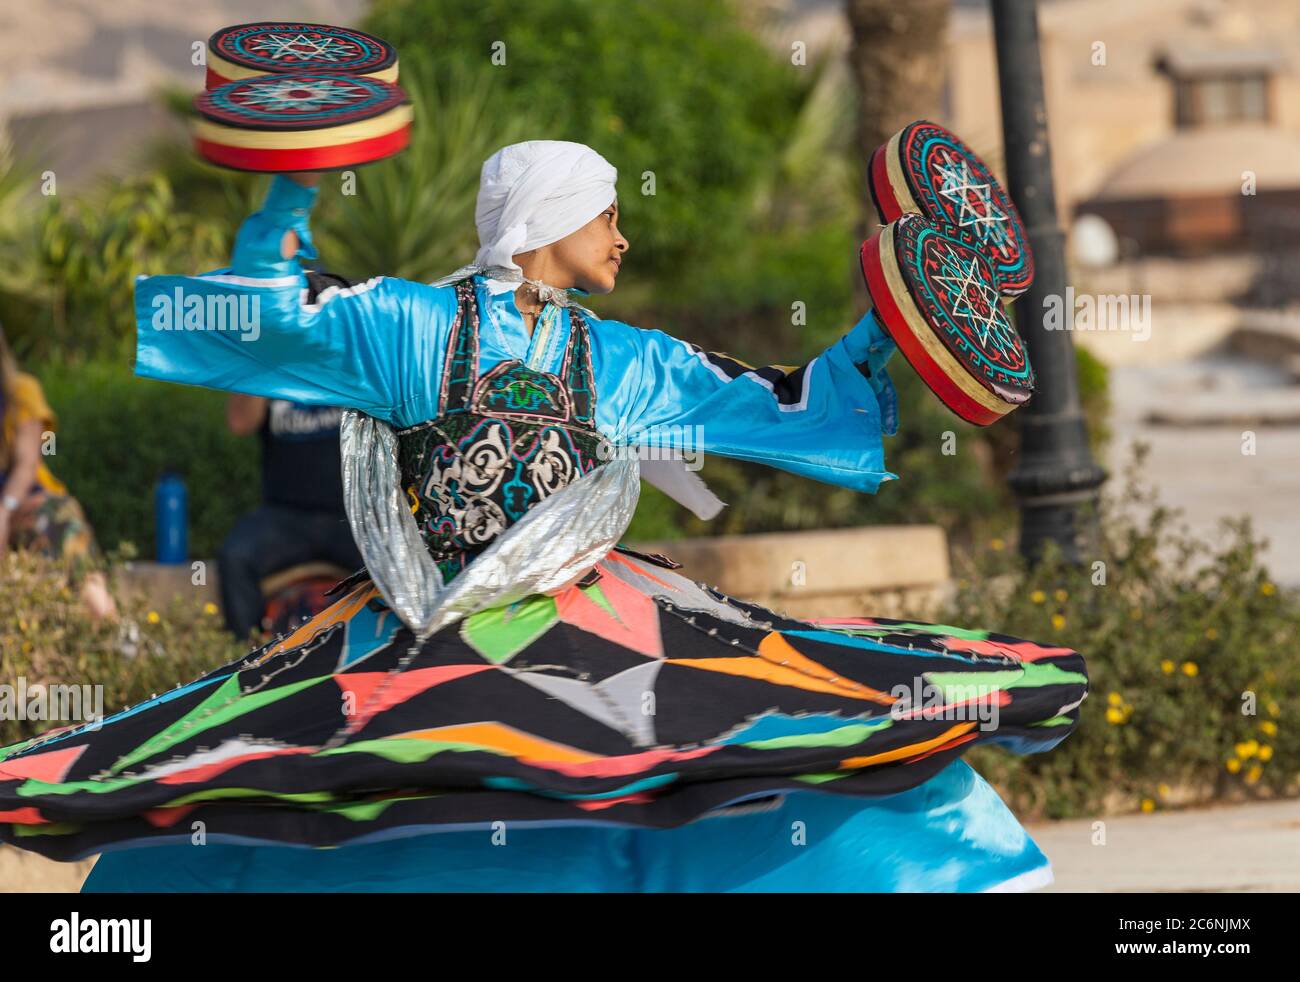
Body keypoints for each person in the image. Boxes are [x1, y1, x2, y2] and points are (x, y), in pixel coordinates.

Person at [0, 141, 1088, 892]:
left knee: (726, 733)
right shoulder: (404, 328)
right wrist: (284, 201)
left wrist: (888, 331)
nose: (622, 239)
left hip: (591, 617)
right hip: (418, 620)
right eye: (608, 214)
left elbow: (782, 403)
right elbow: (268, 326)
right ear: (553, 219)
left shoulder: (619, 357)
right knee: (311, 764)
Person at [218, 394, 364, 640]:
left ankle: (398, 658)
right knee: (235, 557)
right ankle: (244, 661)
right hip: (284, 515)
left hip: (352, 515)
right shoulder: (270, 361)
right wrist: (261, 360)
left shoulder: (353, 357)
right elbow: (240, 423)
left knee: (394, 560)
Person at [0, 325, 117, 621]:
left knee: (58, 521)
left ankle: (109, 623)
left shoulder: (20, 392)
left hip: (29, 506)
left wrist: (4, 510)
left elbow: (27, 466)